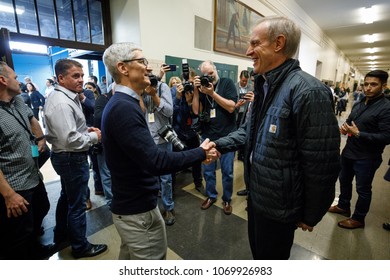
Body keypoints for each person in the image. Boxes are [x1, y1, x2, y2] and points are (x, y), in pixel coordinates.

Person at [213, 16, 340, 259]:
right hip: (258, 196)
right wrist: (219, 145)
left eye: (254, 43)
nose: (248, 51)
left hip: (280, 207)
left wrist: (311, 213)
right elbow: (249, 131)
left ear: (278, 43)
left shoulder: (308, 91)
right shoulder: (264, 85)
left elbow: (322, 163)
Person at [101, 42, 217, 260]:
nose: (148, 68)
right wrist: (200, 153)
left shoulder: (126, 103)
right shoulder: (123, 108)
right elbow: (156, 161)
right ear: (123, 68)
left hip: (134, 206)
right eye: (142, 62)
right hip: (137, 212)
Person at [44, 58, 108, 259]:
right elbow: (70, 139)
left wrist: (85, 129)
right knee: (77, 204)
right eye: (75, 76)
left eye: (81, 76)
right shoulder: (62, 102)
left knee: (67, 197)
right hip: (71, 157)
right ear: (61, 78)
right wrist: (94, 136)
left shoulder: (67, 96)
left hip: (67, 156)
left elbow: (70, 130)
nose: (81, 80)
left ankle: (62, 234)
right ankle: (80, 246)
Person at [0, 61, 52, 259]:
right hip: (14, 185)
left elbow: (32, 119)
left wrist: (39, 138)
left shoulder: (18, 100)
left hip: (33, 175)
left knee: (42, 208)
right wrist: (8, 195)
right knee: (19, 233)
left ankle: (35, 251)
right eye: (14, 77)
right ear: (3, 80)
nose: (19, 81)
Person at [328, 70, 390, 229]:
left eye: (373, 84)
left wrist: (359, 134)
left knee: (363, 188)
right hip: (349, 152)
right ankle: (343, 206)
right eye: (366, 84)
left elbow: (386, 136)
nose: (368, 88)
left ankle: (358, 218)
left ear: (384, 86)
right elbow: (349, 121)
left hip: (367, 157)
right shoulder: (360, 103)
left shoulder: (386, 108)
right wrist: (345, 128)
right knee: (344, 180)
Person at [192, 60, 237, 215]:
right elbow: (196, 111)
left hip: (227, 136)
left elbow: (231, 107)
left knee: (228, 171)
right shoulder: (202, 88)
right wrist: (197, 91)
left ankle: (227, 199)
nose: (209, 77)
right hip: (208, 137)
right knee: (208, 171)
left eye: (211, 73)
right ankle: (211, 196)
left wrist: (212, 93)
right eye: (206, 75)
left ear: (216, 70)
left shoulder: (227, 83)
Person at [140, 72, 176, 225]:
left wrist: (154, 95)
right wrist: (141, 93)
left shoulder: (163, 87)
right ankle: (150, 208)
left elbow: (169, 111)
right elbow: (140, 112)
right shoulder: (139, 89)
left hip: (163, 138)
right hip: (146, 139)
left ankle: (168, 207)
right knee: (148, 176)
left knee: (166, 177)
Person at [172, 68, 206, 196]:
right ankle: (171, 189)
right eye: (188, 83)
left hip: (191, 132)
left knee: (197, 159)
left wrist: (192, 98)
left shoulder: (196, 93)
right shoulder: (176, 92)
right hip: (178, 132)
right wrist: (178, 98)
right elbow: (173, 115)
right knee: (174, 161)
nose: (189, 86)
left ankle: (198, 183)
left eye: (192, 83)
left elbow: (196, 115)